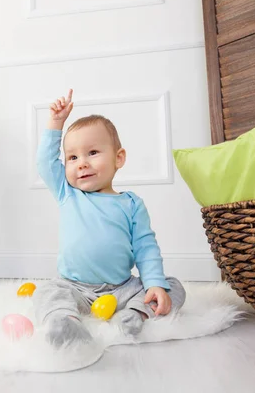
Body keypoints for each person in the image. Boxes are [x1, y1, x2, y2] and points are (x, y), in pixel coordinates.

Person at [34, 89, 186, 347]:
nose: (81, 163)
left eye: (92, 153)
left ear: (119, 158)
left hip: (121, 289)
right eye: (72, 157)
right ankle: (66, 321)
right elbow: (45, 162)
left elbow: (145, 248)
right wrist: (56, 123)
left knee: (172, 286)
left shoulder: (131, 204)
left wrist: (154, 285)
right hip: (75, 288)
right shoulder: (67, 193)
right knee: (47, 292)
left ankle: (133, 315)